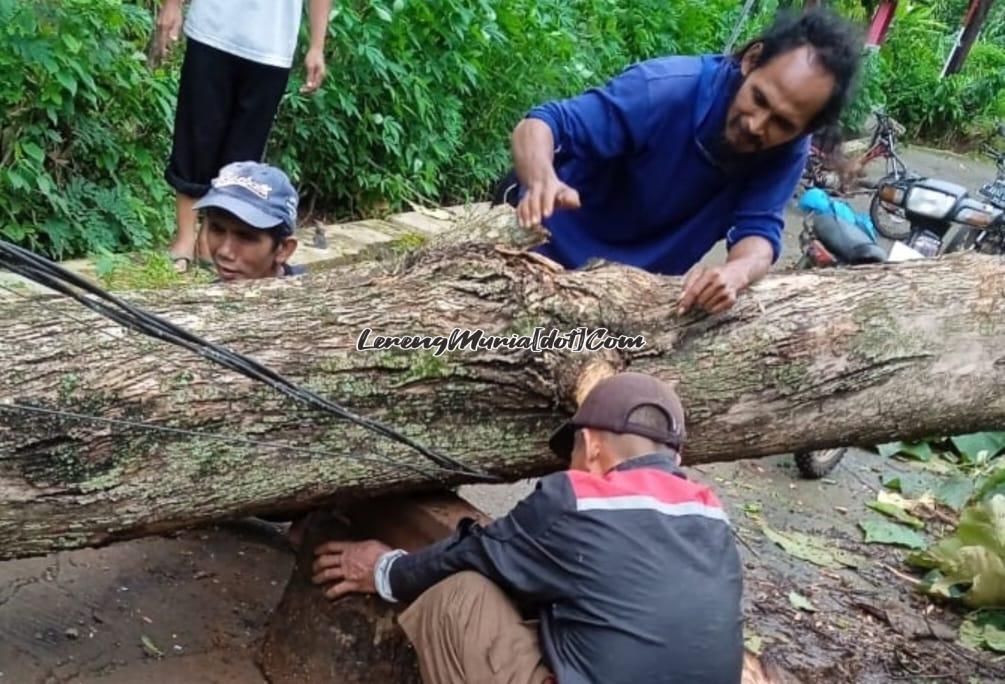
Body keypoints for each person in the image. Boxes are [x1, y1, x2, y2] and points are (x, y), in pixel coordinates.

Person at [312, 372, 743, 684]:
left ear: (592, 446)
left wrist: (384, 570)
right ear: (677, 458)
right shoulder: (713, 518)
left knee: (460, 597)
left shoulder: (577, 498)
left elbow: (475, 552)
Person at [503, 9, 862, 315]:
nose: (756, 125)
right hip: (536, 261)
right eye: (758, 98)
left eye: (782, 123)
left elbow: (759, 233)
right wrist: (540, 179)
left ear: (807, 129)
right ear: (751, 60)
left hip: (626, 299)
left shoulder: (788, 150)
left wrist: (736, 272)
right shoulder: (664, 89)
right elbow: (542, 124)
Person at [150, 0, 332, 272]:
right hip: (212, 28)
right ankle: (185, 238)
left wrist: (317, 46)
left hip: (272, 44)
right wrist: (172, 6)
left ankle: (210, 241)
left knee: (243, 154)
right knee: (196, 135)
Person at [194, 161, 303, 281]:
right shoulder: (207, 296)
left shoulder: (313, 294)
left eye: (245, 237)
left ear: (284, 249)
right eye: (217, 230)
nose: (224, 251)